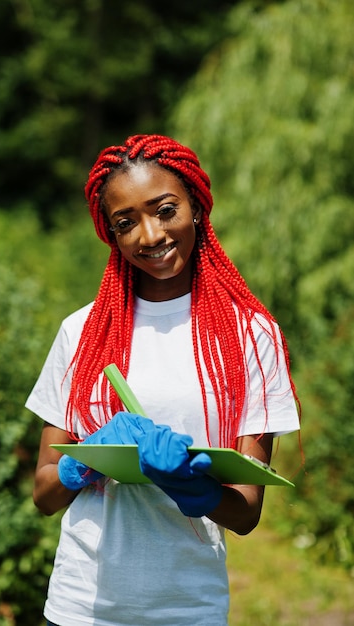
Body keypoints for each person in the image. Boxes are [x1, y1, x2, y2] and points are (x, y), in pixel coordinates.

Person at [26, 134, 300, 626]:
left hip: (188, 610)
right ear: (110, 234)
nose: (149, 235)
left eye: (165, 210)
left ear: (196, 205)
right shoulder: (82, 332)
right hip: (80, 606)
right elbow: (44, 495)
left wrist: (193, 486)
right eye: (125, 222)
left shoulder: (250, 336)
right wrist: (84, 463)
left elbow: (246, 514)